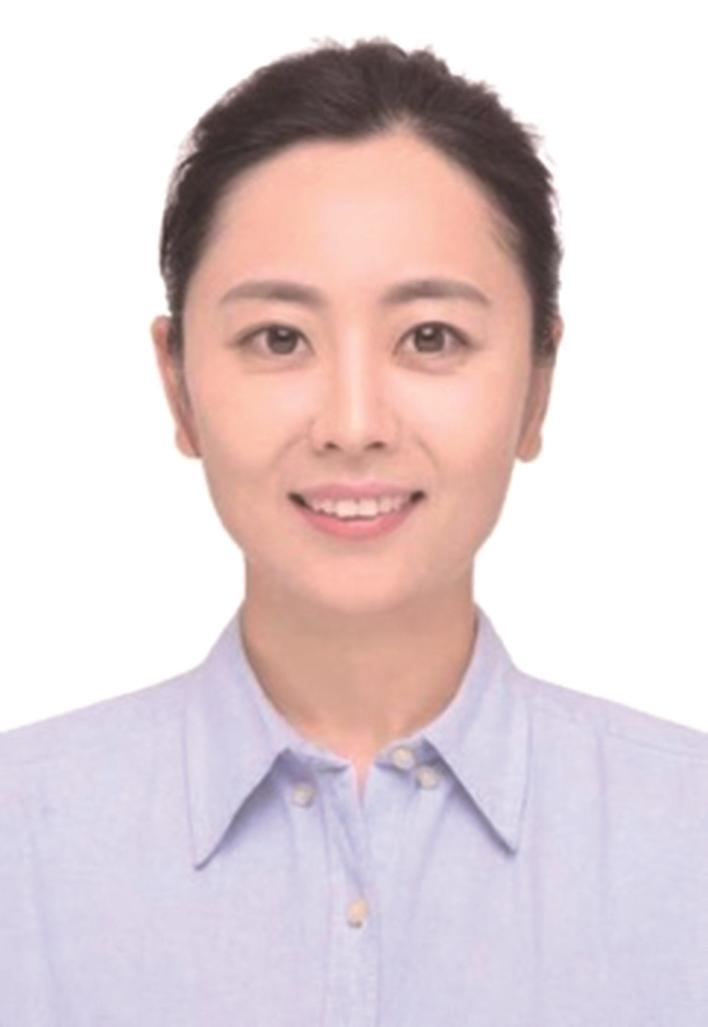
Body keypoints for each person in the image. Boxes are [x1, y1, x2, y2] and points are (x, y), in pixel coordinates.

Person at [2, 35, 707, 1025]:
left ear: (538, 384)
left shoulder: (686, 844)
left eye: (431, 337)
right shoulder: (23, 841)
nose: (353, 422)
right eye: (279, 338)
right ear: (179, 386)